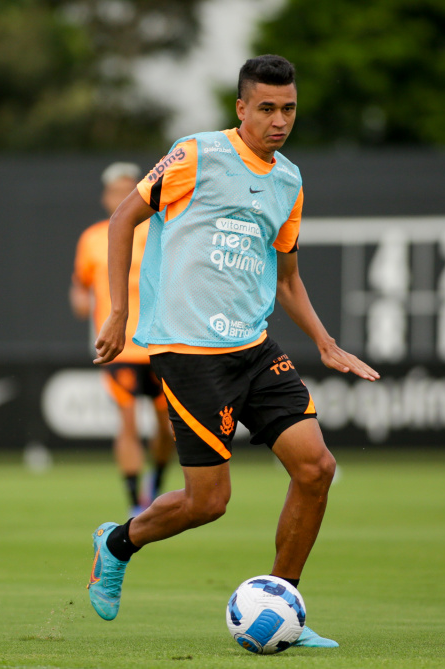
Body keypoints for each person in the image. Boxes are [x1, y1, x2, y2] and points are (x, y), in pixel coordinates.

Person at [86, 55, 379, 648]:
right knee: (208, 502)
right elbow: (122, 222)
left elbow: (288, 277)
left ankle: (283, 605)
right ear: (241, 107)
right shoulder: (195, 154)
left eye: (288, 108)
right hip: (189, 352)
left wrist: (325, 342)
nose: (278, 120)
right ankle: (117, 544)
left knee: (316, 469)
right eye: (266, 108)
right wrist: (120, 312)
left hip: (254, 346)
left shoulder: (290, 180)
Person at [70, 162, 176, 516]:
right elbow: (80, 283)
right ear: (105, 196)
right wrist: (82, 299)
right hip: (119, 347)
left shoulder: (161, 230)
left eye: (128, 188)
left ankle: (157, 480)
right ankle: (134, 501)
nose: (121, 196)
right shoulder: (92, 238)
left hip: (161, 343)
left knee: (166, 428)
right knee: (127, 420)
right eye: (116, 190)